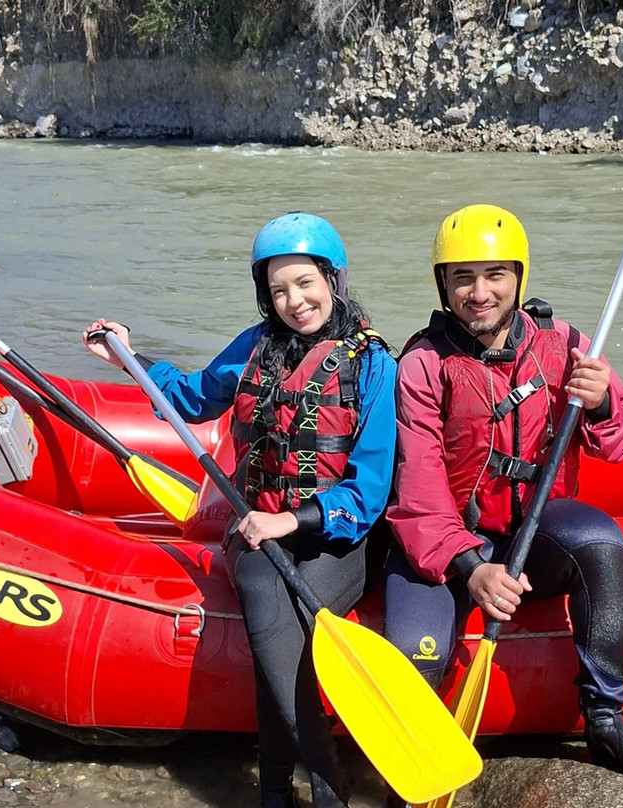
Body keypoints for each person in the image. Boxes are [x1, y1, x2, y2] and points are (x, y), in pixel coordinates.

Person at [83, 212, 397, 808]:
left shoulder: (376, 365)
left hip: (338, 535)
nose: (294, 301)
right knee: (265, 606)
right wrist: (129, 355)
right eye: (277, 290)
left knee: (295, 640)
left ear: (334, 279)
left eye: (305, 283)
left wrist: (296, 520)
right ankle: (324, 782)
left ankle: (278, 787)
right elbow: (192, 396)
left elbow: (370, 488)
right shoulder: (255, 348)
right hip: (253, 525)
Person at [383, 204, 623, 786]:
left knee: (601, 541)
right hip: (441, 548)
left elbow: (620, 442)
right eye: (462, 277)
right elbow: (417, 494)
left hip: (534, 536)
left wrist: (603, 402)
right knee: (416, 654)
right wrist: (470, 569)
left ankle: (605, 718)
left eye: (495, 275)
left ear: (519, 277)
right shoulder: (420, 364)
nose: (479, 292)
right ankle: (410, 769)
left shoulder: (564, 344)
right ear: (443, 284)